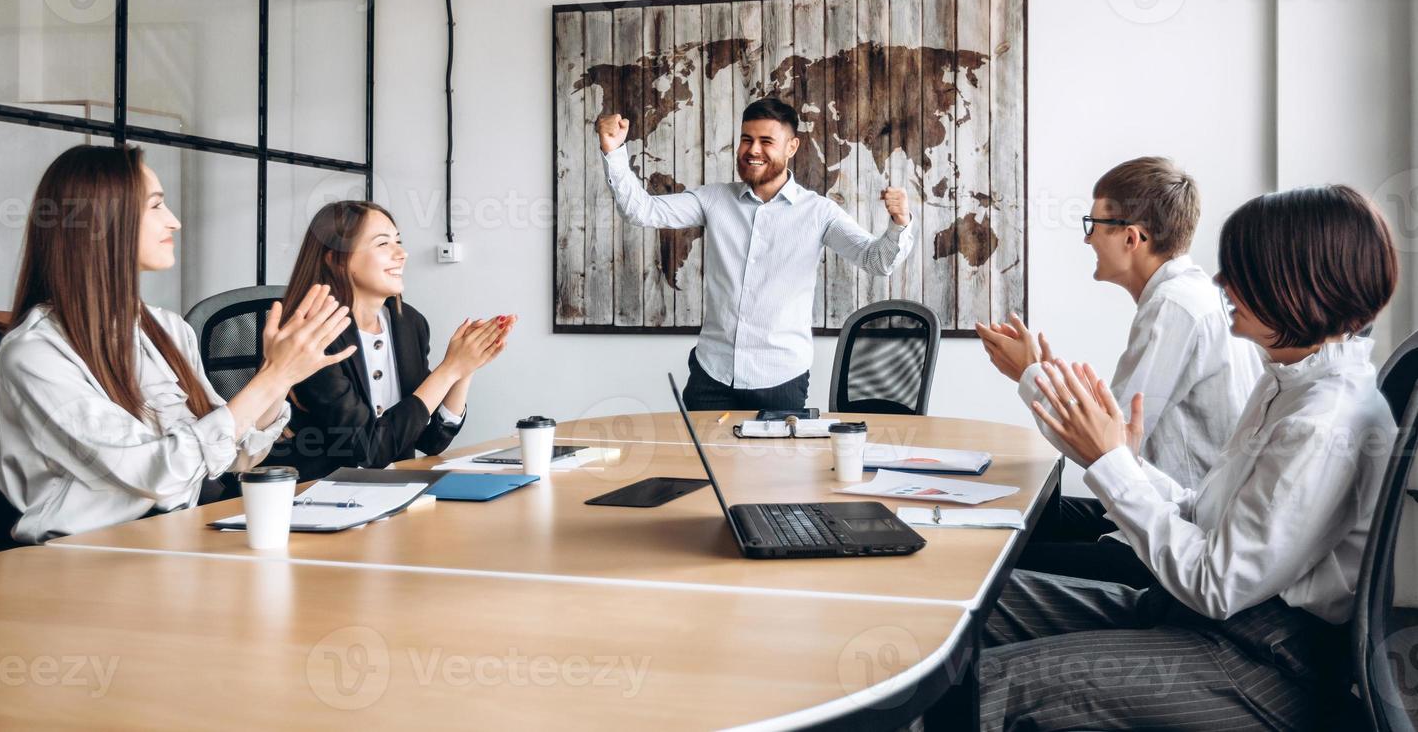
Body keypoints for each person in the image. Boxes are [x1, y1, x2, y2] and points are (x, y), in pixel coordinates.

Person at [978, 185, 1398, 731]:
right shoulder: (1288, 382)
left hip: (1262, 658)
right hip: (1201, 613)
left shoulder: (1323, 421)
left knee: (987, 683)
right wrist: (1126, 458)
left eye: (1242, 270)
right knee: (973, 607)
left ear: (1294, 284)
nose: (1223, 283)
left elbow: (1217, 584)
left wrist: (1110, 460)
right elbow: (1201, 509)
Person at [0, 145, 351, 544]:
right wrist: (273, 377)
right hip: (83, 558)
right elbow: (156, 473)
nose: (175, 222)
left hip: (175, 538)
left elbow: (236, 455)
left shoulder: (166, 329)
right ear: (101, 220)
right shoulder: (34, 353)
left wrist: (281, 379)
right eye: (156, 206)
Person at [975, 157, 1259, 585]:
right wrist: (1044, 373)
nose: (1087, 238)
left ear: (1133, 237)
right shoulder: (1189, 294)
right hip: (1172, 511)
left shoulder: (1172, 307)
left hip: (1170, 536)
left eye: (1094, 223)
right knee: (1015, 517)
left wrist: (1029, 374)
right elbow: (1111, 433)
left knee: (987, 565)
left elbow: (1107, 448)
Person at [596, 97, 915, 412]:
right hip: (712, 374)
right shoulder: (713, 199)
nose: (753, 150)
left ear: (792, 147)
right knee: (701, 463)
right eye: (747, 139)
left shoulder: (819, 213)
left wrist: (899, 224)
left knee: (775, 465)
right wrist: (614, 151)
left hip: (780, 379)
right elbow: (642, 211)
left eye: (766, 141)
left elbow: (877, 261)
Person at [265, 201, 513, 482]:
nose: (402, 253)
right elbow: (368, 450)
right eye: (383, 244)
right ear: (335, 259)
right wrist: (450, 370)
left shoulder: (409, 323)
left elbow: (431, 441)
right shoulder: (310, 335)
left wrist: (464, 368)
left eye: (398, 241)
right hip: (314, 497)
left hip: (391, 494)